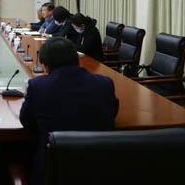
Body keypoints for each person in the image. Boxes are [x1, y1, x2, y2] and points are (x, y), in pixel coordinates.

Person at [20, 37, 118, 184]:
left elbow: (26, 121)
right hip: (101, 171)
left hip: (51, 174)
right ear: (76, 58)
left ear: (46, 66)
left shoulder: (37, 86)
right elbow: (113, 112)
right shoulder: (105, 83)